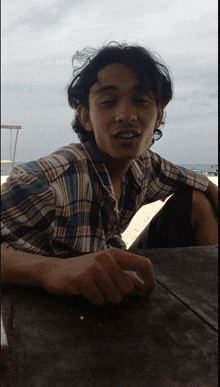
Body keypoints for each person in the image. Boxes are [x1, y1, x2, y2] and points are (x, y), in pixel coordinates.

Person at [1, 43, 218, 306]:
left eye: (141, 101)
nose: (126, 115)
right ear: (86, 118)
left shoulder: (144, 166)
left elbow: (201, 183)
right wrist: (50, 270)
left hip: (111, 280)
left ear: (158, 116)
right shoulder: (45, 182)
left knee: (198, 203)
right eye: (108, 102)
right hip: (47, 310)